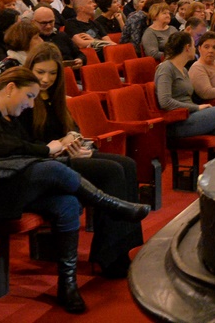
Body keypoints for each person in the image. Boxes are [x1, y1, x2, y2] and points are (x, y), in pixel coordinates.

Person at [0, 66, 150, 314]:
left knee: (66, 203)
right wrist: (48, 150)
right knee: (51, 169)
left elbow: (21, 149)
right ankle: (112, 205)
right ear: (11, 88)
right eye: (29, 96)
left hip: (9, 188)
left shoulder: (8, 116)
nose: (31, 105)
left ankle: (67, 285)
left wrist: (57, 148)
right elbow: (0, 146)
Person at [21, 45, 146, 277]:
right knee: (111, 172)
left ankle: (123, 247)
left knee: (127, 164)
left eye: (52, 73)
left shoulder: (55, 96)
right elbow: (28, 144)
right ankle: (108, 255)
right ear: (30, 70)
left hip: (69, 155)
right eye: (40, 72)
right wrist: (63, 144)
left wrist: (76, 140)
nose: (46, 79)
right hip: (47, 163)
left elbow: (74, 129)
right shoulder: (26, 98)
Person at [154, 33, 215, 149]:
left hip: (191, 115)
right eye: (194, 45)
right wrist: (197, 108)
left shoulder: (183, 69)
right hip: (178, 121)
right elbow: (165, 102)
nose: (195, 49)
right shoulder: (166, 68)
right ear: (187, 48)